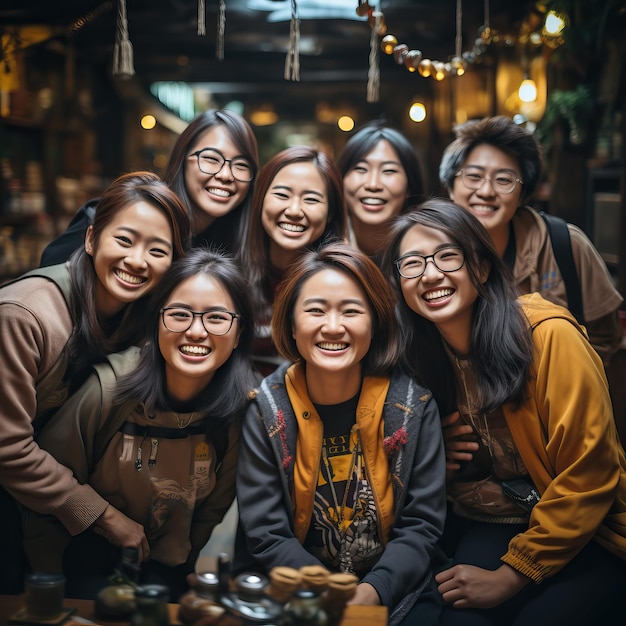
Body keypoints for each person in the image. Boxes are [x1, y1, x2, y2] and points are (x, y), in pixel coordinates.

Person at [379, 199, 626, 625]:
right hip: (499, 517)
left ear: (481, 266)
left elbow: (591, 474)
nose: (431, 274)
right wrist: (438, 454)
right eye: (412, 263)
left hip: (594, 531)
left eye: (447, 256)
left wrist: (513, 575)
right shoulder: (418, 357)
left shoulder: (548, 335)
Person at [22, 248, 258, 600]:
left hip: (166, 573)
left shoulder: (239, 412)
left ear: (238, 333)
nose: (196, 331)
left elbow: (209, 516)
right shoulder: (109, 390)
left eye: (217, 318)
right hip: (78, 568)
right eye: (179, 314)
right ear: (156, 323)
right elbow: (46, 496)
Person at [234, 242, 447, 625]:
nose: (333, 327)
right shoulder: (267, 409)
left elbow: (422, 526)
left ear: (376, 322)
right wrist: (331, 593)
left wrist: (373, 590)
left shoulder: (412, 408)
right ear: (292, 324)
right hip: (294, 590)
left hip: (395, 590)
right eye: (315, 310)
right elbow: (266, 532)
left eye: (351, 311)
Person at [0, 171, 191, 594]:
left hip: (51, 498)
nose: (138, 261)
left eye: (157, 250)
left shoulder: (140, 317)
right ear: (91, 240)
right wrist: (104, 515)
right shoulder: (24, 316)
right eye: (124, 240)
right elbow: (7, 447)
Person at [438, 115, 623, 364]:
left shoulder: (564, 244)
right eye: (473, 176)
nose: (486, 191)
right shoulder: (429, 254)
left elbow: (605, 338)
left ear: (523, 193)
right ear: (450, 187)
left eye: (504, 179)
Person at [40, 108, 259, 265]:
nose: (225, 175)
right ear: (182, 160)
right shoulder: (116, 219)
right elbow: (49, 278)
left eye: (241, 165)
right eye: (211, 159)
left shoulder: (229, 247)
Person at [238, 145, 347, 375]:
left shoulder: (345, 283)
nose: (295, 210)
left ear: (330, 214)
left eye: (311, 199)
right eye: (282, 195)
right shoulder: (231, 273)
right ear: (260, 200)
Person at [337, 119, 425, 257]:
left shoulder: (428, 249)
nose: (373, 185)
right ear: (341, 179)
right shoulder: (322, 250)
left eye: (389, 171)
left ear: (410, 185)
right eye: (361, 169)